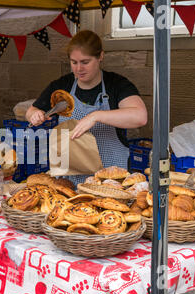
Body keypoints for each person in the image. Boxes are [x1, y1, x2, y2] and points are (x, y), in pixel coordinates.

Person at [25, 30, 147, 186]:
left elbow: (140, 116)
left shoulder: (116, 84)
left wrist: (96, 116)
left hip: (110, 181)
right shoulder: (63, 86)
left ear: (100, 56)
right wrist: (35, 114)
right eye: (74, 62)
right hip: (70, 180)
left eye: (85, 62)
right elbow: (31, 110)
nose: (78, 69)